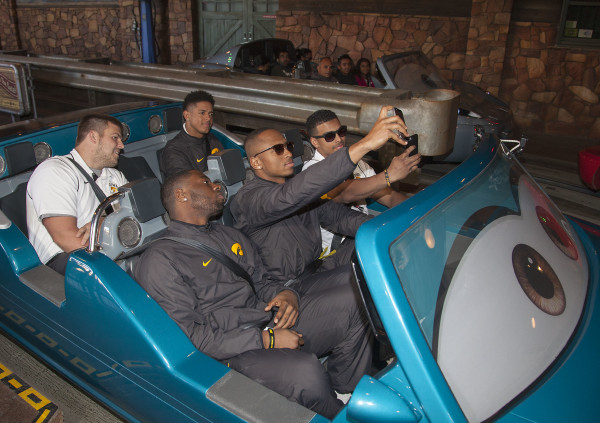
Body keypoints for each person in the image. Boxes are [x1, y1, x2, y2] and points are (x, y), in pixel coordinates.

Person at [133, 170, 373, 419]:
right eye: (205, 182)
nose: (217, 186)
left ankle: (346, 391)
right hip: (230, 350)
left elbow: (262, 283)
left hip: (265, 318)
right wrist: (266, 340)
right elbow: (194, 338)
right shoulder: (160, 259)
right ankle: (337, 415)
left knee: (356, 300)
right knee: (305, 374)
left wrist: (285, 293)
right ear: (181, 195)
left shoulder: (230, 235)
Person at [229, 106, 410, 289]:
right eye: (278, 149)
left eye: (288, 146)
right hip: (286, 288)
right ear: (256, 162)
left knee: (385, 252)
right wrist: (366, 144)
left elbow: (339, 217)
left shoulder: (295, 186)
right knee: (364, 291)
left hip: (318, 267)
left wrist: (388, 230)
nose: (288, 153)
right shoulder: (248, 199)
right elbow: (290, 196)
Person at [303, 109, 421, 255]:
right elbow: (343, 193)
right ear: (315, 142)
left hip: (362, 238)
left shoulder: (358, 164)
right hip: (334, 254)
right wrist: (388, 175)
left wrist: (418, 213)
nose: (339, 139)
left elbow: (389, 196)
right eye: (329, 136)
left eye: (341, 132)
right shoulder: (311, 171)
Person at [26, 113, 128, 275]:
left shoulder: (115, 176)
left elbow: (135, 216)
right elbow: (66, 238)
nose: (121, 145)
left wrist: (102, 222)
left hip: (113, 246)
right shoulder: (55, 171)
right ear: (93, 136)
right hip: (66, 259)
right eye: (115, 137)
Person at [159, 90, 223, 179]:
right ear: (187, 115)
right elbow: (187, 186)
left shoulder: (213, 140)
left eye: (210, 114)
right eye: (202, 113)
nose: (208, 118)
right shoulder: (174, 150)